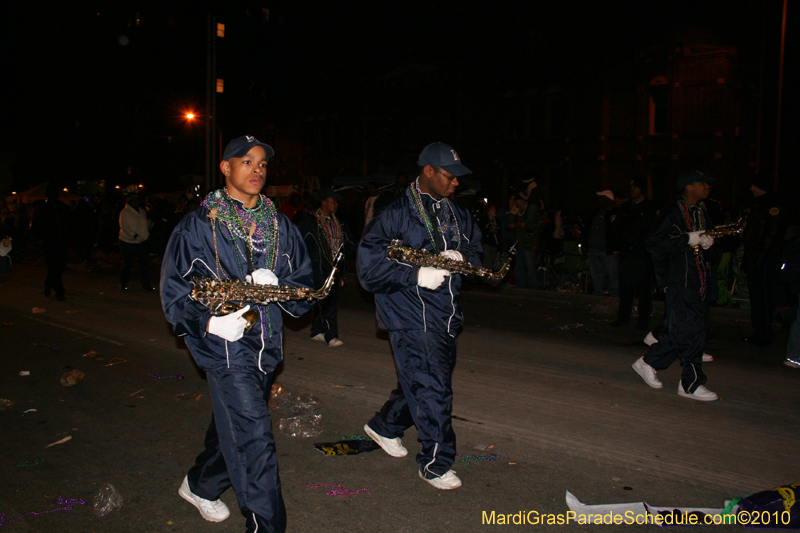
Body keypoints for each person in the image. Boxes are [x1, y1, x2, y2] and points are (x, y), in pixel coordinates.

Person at [160, 135, 314, 532]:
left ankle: (200, 484)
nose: (257, 170)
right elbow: (175, 290)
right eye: (246, 162)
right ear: (225, 168)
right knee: (254, 441)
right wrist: (208, 322)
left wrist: (278, 284)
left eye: (262, 163)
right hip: (224, 348)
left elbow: (303, 289)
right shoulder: (198, 225)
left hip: (266, 348)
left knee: (236, 428)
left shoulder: (280, 226)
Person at [358, 142, 481, 490]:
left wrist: (463, 257)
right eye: (449, 175)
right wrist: (414, 274)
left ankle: (386, 425)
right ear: (427, 171)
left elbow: (476, 250)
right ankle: (435, 463)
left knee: (424, 379)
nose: (456, 183)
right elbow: (369, 270)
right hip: (409, 313)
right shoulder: (393, 212)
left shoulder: (456, 213)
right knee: (432, 386)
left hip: (446, 313)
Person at [632, 169, 720, 401]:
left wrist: (710, 246)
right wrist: (688, 239)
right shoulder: (673, 213)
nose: (707, 187)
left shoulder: (702, 212)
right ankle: (690, 384)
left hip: (698, 281)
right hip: (678, 281)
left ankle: (648, 362)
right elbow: (654, 242)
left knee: (685, 331)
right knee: (690, 333)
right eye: (703, 183)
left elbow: (712, 250)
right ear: (689, 186)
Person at [300, 188, 352, 347]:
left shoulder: (339, 223)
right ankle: (331, 336)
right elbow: (298, 244)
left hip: (334, 269)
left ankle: (316, 331)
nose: (335, 204)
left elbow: (350, 243)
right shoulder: (311, 222)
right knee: (327, 301)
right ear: (323, 202)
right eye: (332, 201)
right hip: (317, 269)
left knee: (321, 300)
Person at [742, 174, 787, 347]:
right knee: (757, 296)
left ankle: (765, 332)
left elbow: (771, 235)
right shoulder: (760, 205)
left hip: (764, 259)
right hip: (757, 256)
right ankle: (760, 330)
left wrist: (761, 258)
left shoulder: (771, 206)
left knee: (764, 296)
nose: (751, 189)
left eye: (754, 185)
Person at [610, 178, 657, 330]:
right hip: (627, 252)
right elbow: (618, 227)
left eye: (635, 187)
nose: (632, 190)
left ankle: (643, 322)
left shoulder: (649, 207)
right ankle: (623, 318)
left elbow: (648, 230)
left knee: (644, 290)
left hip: (642, 253)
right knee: (625, 289)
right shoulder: (626, 206)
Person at [31, 183, 71, 301]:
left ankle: (49, 283)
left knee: (60, 266)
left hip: (62, 242)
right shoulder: (42, 210)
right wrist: (43, 237)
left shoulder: (62, 208)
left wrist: (68, 237)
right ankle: (59, 291)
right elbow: (36, 228)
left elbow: (70, 224)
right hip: (49, 243)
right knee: (53, 266)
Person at [585, 190, 620, 296]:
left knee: (612, 274)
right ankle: (598, 293)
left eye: (602, 198)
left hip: (608, 250)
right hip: (594, 248)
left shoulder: (615, 213)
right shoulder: (595, 212)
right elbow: (587, 228)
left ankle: (614, 295)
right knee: (596, 274)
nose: (600, 200)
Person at [119, 193, 154, 291]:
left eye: (137, 200)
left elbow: (143, 224)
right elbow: (124, 226)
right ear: (129, 201)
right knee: (128, 263)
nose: (136, 202)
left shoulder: (142, 211)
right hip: (128, 242)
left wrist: (148, 228)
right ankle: (123, 283)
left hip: (142, 241)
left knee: (143, 264)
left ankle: (146, 285)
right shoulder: (125, 212)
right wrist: (134, 235)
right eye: (133, 200)